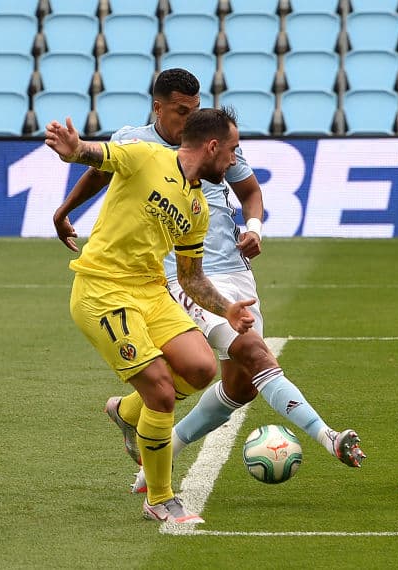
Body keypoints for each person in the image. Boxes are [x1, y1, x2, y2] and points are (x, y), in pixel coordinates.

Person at [53, 69, 365, 498]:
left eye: (194, 111)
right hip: (155, 280)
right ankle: (326, 436)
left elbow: (250, 192)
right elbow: (98, 165)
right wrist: (65, 203)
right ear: (159, 108)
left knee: (233, 381)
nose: (189, 119)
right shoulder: (139, 146)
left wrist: (254, 226)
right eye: (182, 111)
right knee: (245, 355)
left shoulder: (206, 176)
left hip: (225, 269)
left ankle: (135, 419)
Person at [45, 107, 254, 524]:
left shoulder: (198, 206)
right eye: (231, 150)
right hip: (102, 289)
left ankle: (126, 412)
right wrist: (74, 150)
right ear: (212, 146)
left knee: (199, 368)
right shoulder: (142, 155)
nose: (233, 160)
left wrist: (226, 308)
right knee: (160, 389)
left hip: (150, 291)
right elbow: (96, 155)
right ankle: (160, 498)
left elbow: (191, 279)